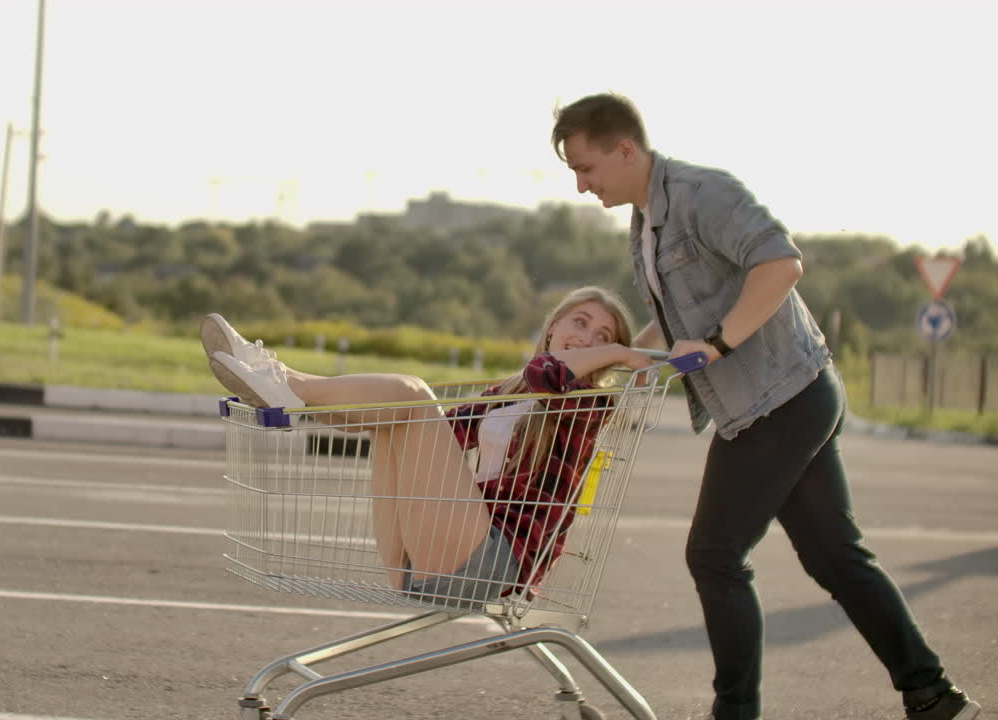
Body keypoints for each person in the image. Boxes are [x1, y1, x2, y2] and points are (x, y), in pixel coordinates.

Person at [550, 93, 981, 720]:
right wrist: (615, 362)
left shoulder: (702, 193)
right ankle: (934, 696)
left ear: (624, 149)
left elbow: (781, 263)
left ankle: (736, 713)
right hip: (787, 398)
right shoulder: (647, 224)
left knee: (714, 555)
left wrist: (721, 344)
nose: (582, 186)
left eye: (586, 168)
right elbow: (672, 323)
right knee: (835, 556)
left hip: (780, 399)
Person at [202, 286, 653, 607]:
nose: (590, 337)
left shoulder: (591, 404)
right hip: (429, 557)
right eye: (581, 322)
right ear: (554, 325)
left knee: (414, 391)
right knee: (397, 413)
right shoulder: (509, 392)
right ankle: (290, 392)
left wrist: (618, 358)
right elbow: (431, 429)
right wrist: (337, 410)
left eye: (604, 336)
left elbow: (548, 374)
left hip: (494, 563)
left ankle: (287, 383)